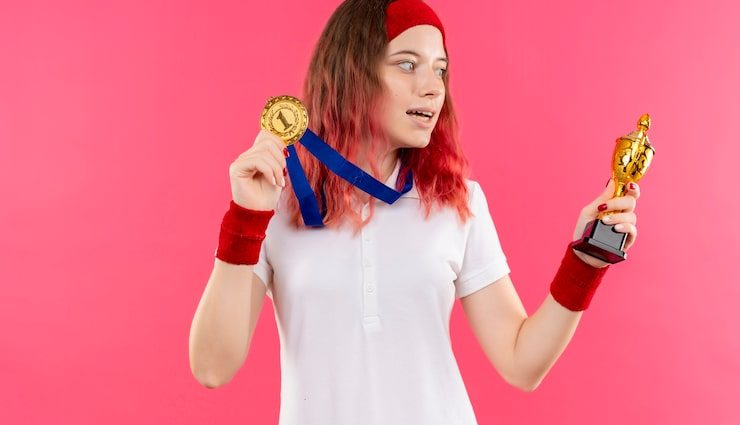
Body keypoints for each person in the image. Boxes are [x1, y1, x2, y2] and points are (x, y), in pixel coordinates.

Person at [188, 0, 641, 424]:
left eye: (440, 69)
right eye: (407, 64)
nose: (433, 87)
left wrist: (585, 261)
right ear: (353, 72)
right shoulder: (279, 203)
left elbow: (521, 364)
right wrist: (246, 218)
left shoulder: (458, 201)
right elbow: (211, 367)